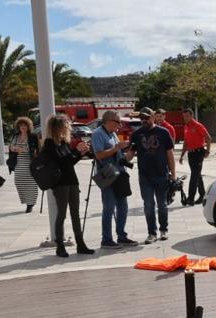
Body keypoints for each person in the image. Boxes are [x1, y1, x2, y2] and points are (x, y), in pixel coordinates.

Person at [39, 114, 95, 258]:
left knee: (75, 214)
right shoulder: (49, 144)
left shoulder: (64, 143)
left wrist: (80, 153)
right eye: (65, 125)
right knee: (62, 214)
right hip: (60, 184)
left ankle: (80, 244)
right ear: (57, 128)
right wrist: (76, 151)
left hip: (72, 180)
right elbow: (61, 163)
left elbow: (69, 162)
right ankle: (60, 246)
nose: (68, 128)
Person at [91, 110, 137, 248]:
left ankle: (122, 236)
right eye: (117, 121)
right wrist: (116, 147)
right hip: (108, 175)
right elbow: (98, 155)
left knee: (123, 206)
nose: (120, 124)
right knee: (109, 207)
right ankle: (106, 239)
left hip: (119, 174)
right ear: (108, 121)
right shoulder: (98, 134)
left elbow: (119, 155)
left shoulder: (113, 134)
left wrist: (130, 153)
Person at [129, 109, 177, 243]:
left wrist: (173, 174)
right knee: (148, 205)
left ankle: (163, 230)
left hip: (162, 174)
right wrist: (119, 154)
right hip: (145, 175)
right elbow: (130, 154)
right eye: (142, 118)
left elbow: (170, 154)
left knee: (162, 204)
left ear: (153, 117)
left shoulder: (163, 132)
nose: (144, 121)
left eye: (147, 118)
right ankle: (151, 233)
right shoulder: (137, 134)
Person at [8, 117, 40, 213]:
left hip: (29, 162)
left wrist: (24, 150)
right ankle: (27, 201)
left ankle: (30, 204)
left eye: (24, 125)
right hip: (18, 162)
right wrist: (14, 149)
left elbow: (37, 149)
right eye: (20, 125)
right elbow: (10, 146)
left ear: (28, 126)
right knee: (19, 182)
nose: (22, 127)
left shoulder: (33, 136)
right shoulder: (16, 135)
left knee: (31, 184)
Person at [179, 108, 211, 205]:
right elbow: (186, 142)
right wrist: (182, 155)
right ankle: (202, 195)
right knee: (197, 174)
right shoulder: (186, 127)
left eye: (187, 116)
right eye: (184, 116)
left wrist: (208, 151)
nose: (185, 118)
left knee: (194, 175)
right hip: (191, 153)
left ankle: (191, 198)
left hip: (198, 152)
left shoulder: (197, 125)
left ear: (192, 116)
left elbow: (208, 138)